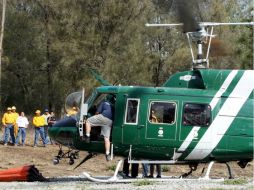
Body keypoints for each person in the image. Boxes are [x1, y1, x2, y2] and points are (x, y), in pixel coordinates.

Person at [84, 95, 115, 161]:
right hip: (110, 121)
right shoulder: (113, 106)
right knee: (106, 138)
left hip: (103, 117)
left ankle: (87, 137)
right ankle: (107, 154)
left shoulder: (104, 102)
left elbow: (97, 112)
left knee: (88, 121)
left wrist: (95, 117)